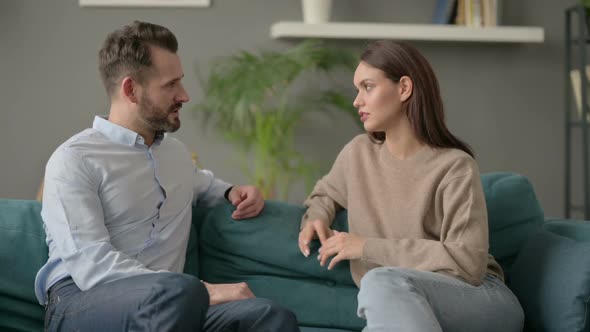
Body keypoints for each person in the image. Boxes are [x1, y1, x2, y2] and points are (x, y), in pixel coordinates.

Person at [35, 21, 300, 332]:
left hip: (173, 305)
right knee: (180, 291)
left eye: (181, 82)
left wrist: (233, 192)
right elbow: (91, 267)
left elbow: (201, 183)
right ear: (131, 90)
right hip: (81, 301)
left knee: (267, 315)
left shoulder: (174, 154)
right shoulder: (74, 160)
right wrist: (206, 289)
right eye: (170, 85)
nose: (185, 95)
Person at [298, 40, 524, 332]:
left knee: (379, 281)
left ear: (404, 88)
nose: (357, 101)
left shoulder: (454, 166)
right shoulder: (358, 154)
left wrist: (366, 247)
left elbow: (468, 263)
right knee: (383, 290)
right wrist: (317, 215)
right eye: (358, 89)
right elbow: (325, 193)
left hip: (479, 298)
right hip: (400, 301)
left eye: (367, 87)